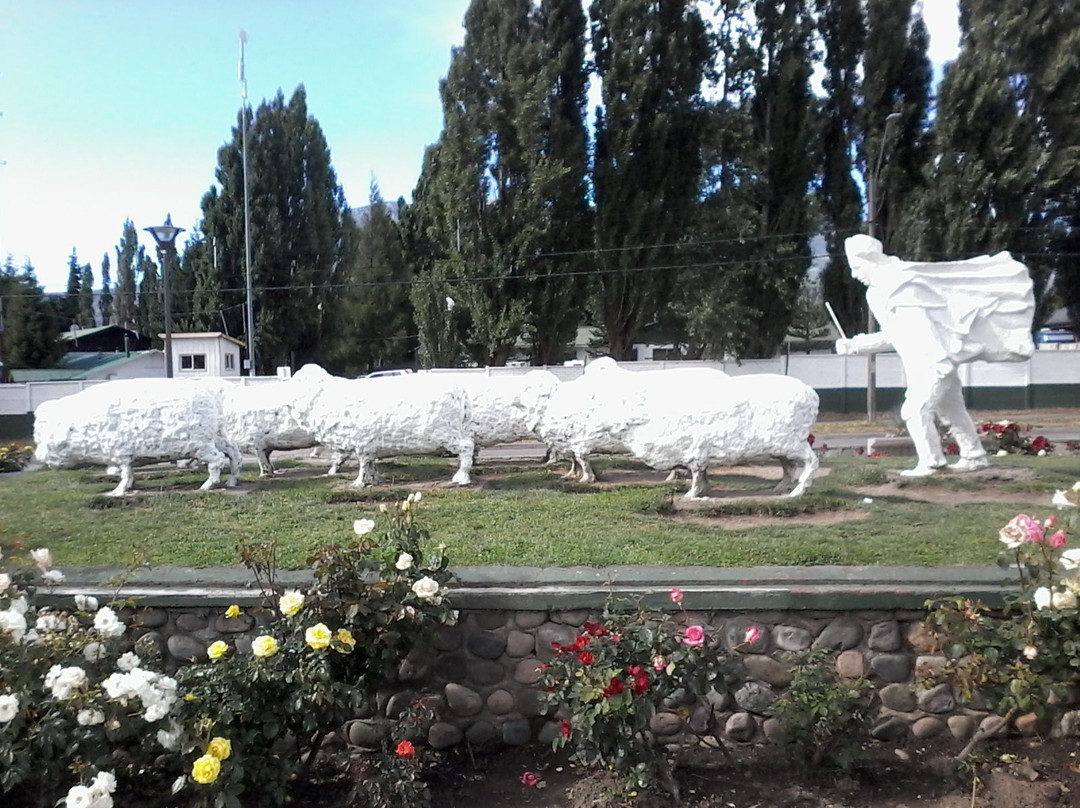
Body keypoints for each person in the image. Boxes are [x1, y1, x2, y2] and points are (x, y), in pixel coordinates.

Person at [835, 235, 1035, 477]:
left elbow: (913, 333)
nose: (855, 274)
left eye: (857, 267)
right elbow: (897, 334)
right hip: (932, 363)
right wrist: (855, 345)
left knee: (914, 411)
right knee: (952, 411)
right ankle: (974, 456)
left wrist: (858, 345)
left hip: (932, 363)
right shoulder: (884, 290)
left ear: (872, 260)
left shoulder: (900, 287)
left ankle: (932, 462)